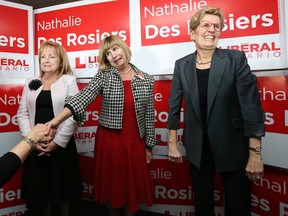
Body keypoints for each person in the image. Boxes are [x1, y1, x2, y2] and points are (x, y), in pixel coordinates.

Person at [167, 7, 265, 216]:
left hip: (233, 146)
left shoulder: (235, 59)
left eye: (217, 26)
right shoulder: (181, 65)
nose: (212, 30)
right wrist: (172, 142)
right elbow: (174, 106)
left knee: (238, 207)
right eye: (206, 25)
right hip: (197, 148)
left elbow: (251, 106)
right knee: (203, 205)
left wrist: (255, 152)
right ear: (192, 32)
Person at [44, 35, 157, 216]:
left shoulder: (146, 79)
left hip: (135, 143)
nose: (113, 54)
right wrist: (56, 121)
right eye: (108, 53)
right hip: (110, 142)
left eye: (115, 49)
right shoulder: (104, 76)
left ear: (124, 48)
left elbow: (149, 116)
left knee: (131, 188)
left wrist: (149, 145)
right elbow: (83, 98)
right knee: (113, 188)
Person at [16, 40, 82, 216]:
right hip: (36, 146)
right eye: (43, 56)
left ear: (60, 61)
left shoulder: (68, 80)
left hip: (62, 147)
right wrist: (31, 141)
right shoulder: (32, 81)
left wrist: (57, 143)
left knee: (64, 191)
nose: (46, 60)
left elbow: (74, 113)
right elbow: (22, 113)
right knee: (40, 193)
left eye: (51, 56)